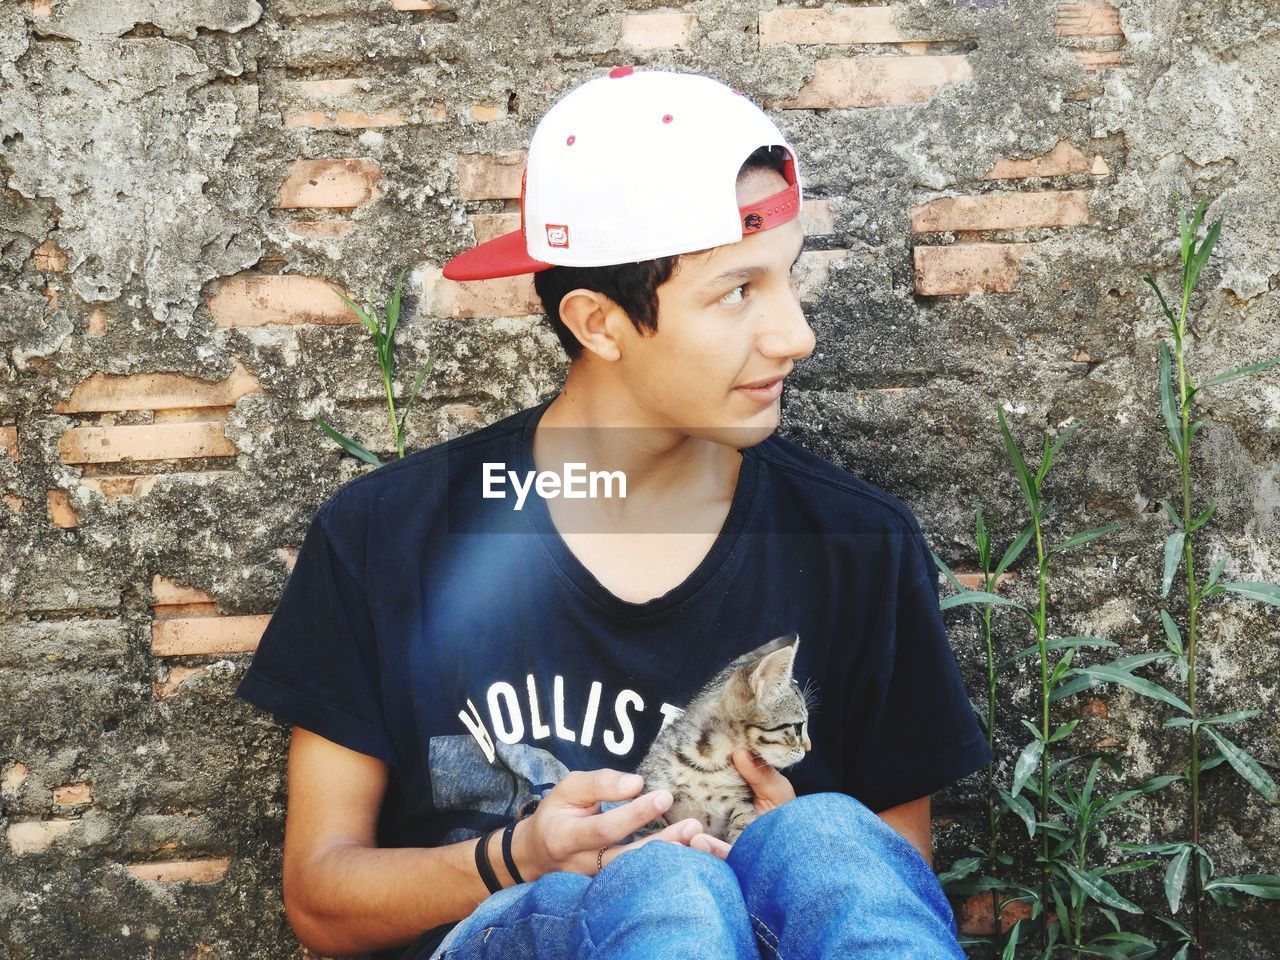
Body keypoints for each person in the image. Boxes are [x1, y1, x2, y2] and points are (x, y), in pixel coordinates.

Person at [234, 67, 992, 960]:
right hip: (522, 934)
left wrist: (761, 857)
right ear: (598, 322)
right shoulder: (389, 536)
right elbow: (322, 904)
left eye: (787, 279)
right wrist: (522, 856)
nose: (795, 334)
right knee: (665, 881)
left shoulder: (854, 542)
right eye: (736, 291)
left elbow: (885, 886)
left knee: (822, 837)